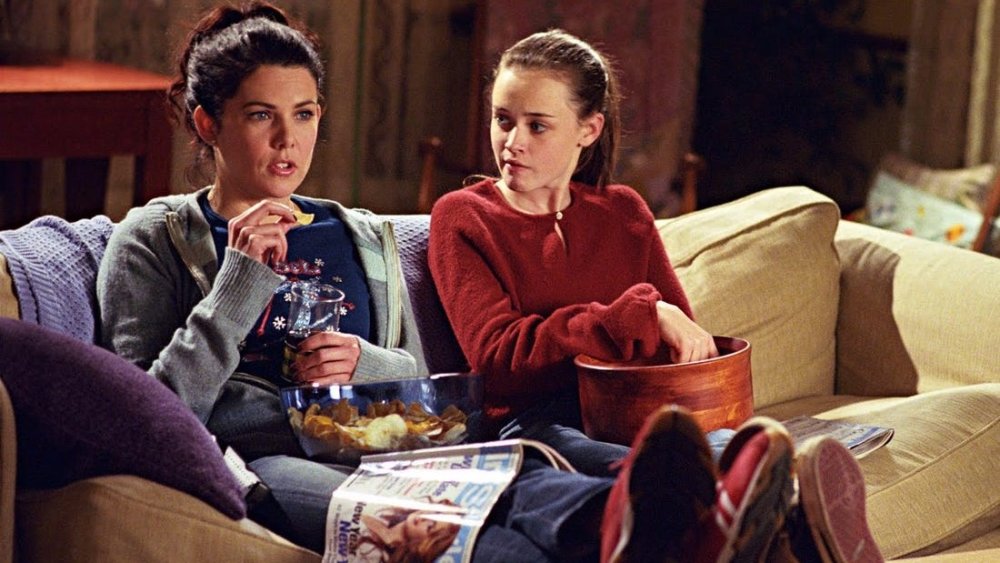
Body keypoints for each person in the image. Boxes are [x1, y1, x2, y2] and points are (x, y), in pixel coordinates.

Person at [428, 29, 884, 563]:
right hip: (532, 418)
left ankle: (769, 516)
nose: (513, 141)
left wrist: (669, 340)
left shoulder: (623, 213)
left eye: (537, 125)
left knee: (701, 452)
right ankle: (767, 526)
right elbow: (500, 357)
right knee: (592, 466)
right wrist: (630, 319)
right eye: (503, 119)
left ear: (588, 129)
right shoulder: (463, 216)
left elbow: (680, 348)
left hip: (635, 408)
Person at [96, 1, 426, 551]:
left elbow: (421, 389)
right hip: (264, 461)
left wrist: (362, 363)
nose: (287, 140)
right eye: (259, 115)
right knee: (424, 526)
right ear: (208, 122)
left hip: (378, 451)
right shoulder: (155, 238)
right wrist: (239, 283)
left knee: (542, 505)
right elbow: (148, 422)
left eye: (304, 114)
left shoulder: (358, 234)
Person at [357, 499, 463, 562]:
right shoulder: (395, 510)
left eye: (430, 526)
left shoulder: (374, 554)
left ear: (424, 546)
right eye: (436, 513)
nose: (425, 517)